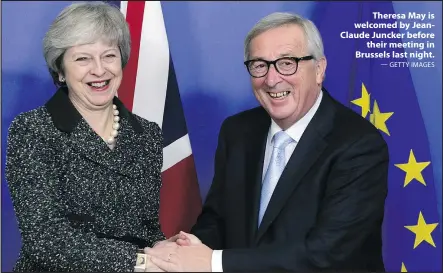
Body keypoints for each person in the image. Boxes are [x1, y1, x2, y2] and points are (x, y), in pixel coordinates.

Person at [145, 11, 389, 272]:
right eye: (259, 65)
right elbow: (218, 219)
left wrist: (213, 262)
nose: (271, 79)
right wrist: (188, 248)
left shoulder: (359, 145)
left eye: (287, 63)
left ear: (319, 70)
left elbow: (326, 254)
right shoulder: (237, 131)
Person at [6, 2, 167, 272]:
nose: (99, 70)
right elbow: (47, 240)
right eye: (83, 58)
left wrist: (169, 251)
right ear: (60, 70)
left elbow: (146, 228)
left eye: (109, 56)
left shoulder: (147, 134)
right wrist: (142, 260)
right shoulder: (32, 130)